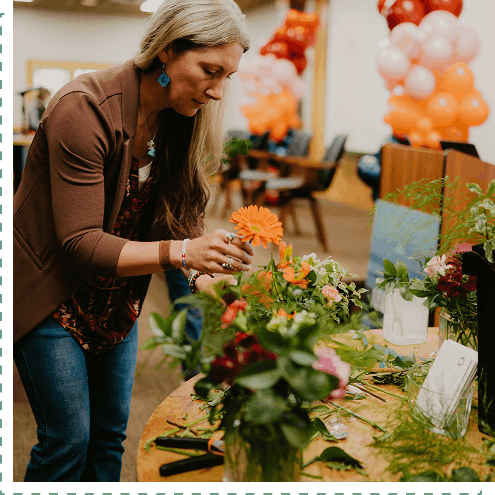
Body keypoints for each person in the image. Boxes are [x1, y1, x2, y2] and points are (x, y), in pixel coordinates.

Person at [13, 0, 253, 482]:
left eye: (228, 76)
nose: (220, 91)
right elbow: (80, 242)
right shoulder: (84, 108)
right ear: (167, 51)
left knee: (108, 440)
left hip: (117, 300)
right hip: (49, 296)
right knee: (68, 442)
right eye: (211, 70)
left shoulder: (178, 121)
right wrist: (184, 253)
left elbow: (178, 222)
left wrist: (206, 273)